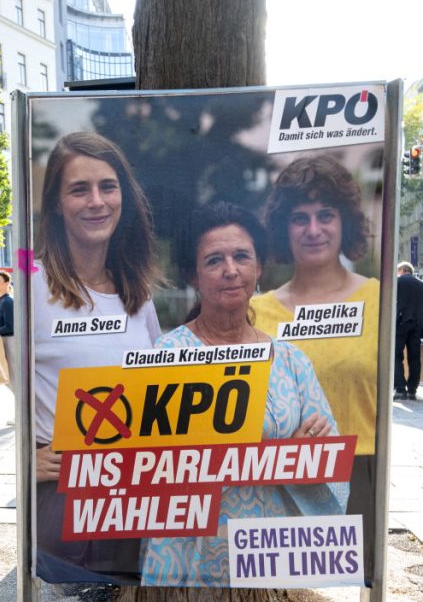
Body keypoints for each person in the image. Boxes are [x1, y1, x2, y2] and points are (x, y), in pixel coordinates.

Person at [141, 201, 347, 587]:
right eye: (214, 260)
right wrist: (286, 456)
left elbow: (329, 461)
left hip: (270, 559)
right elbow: (145, 469)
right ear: (193, 276)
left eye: (241, 256)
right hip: (188, 564)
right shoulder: (165, 359)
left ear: (259, 269)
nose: (230, 270)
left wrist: (304, 460)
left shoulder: (290, 361)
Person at [33, 131, 162, 583]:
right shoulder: (32, 286)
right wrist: (25, 461)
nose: (97, 201)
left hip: (137, 495)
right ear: (56, 203)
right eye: (78, 189)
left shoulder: (136, 291)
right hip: (70, 505)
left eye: (108, 186)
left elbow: (159, 386)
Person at [253, 155, 379, 578]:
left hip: (361, 469)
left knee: (358, 579)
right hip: (278, 476)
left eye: (325, 215)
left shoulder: (379, 301)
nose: (313, 230)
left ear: (344, 221)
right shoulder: (257, 311)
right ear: (282, 228)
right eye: (298, 217)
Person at [394, 261, 423, 400]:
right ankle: (412, 389)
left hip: (401, 323)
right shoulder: (421, 284)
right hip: (417, 324)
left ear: (403, 270)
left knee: (396, 355)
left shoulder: (398, 282)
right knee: (415, 356)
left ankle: (400, 389)